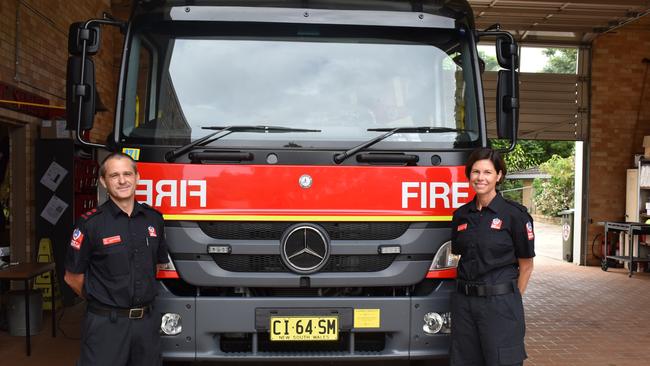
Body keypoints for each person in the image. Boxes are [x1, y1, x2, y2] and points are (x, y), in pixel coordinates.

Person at [64, 152, 169, 366]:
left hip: (146, 326)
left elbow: (157, 266)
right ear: (103, 181)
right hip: (106, 326)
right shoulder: (90, 224)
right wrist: (102, 301)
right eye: (114, 176)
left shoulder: (154, 219)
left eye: (127, 174)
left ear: (137, 177)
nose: (122, 180)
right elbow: (72, 277)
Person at [450, 147, 535, 366]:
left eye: (487, 172)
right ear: (469, 175)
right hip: (465, 304)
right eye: (476, 172)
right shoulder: (461, 215)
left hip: (500, 304)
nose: (480, 178)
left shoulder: (515, 215)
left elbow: (526, 265)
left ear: (498, 176)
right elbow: (460, 255)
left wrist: (512, 299)